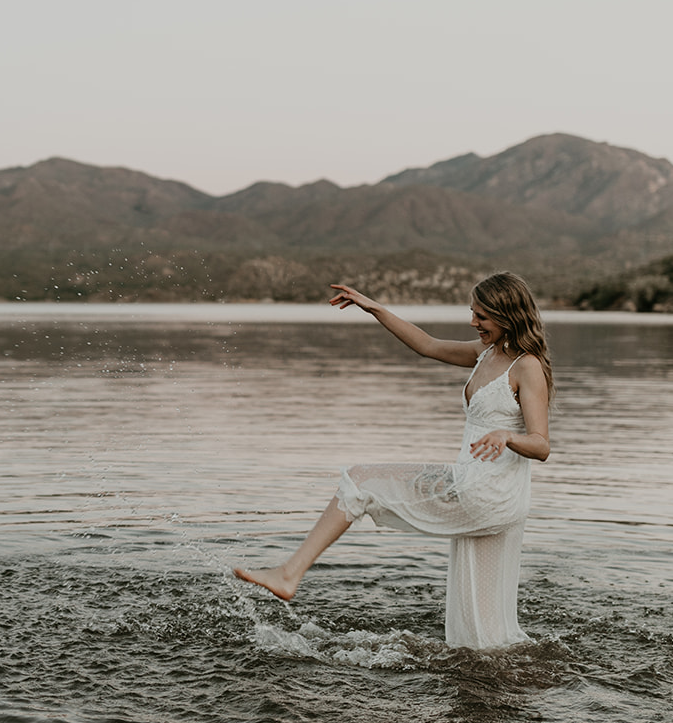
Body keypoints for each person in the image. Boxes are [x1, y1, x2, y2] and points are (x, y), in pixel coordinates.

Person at [234, 272, 552, 649]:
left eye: (481, 316)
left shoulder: (527, 366)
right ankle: (495, 675)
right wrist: (374, 309)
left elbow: (541, 444)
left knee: (360, 481)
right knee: (480, 621)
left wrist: (507, 436)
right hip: (476, 487)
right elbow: (427, 345)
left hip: (488, 492)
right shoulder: (486, 354)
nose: (473, 322)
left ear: (507, 314)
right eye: (473, 313)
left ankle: (289, 573)